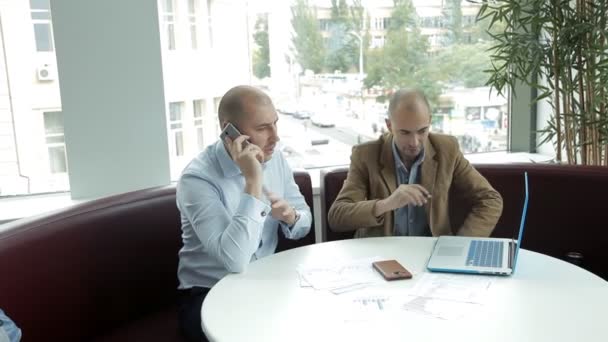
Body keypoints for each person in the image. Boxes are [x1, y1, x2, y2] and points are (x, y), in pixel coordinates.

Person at [176, 85, 312, 342]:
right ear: (230, 131)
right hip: (207, 293)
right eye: (262, 128)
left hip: (264, 283)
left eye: (275, 124)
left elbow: (305, 221)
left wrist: (291, 217)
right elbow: (235, 261)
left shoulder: (276, 159)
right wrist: (253, 181)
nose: (275, 137)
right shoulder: (197, 179)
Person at [328, 88, 503, 238]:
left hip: (431, 256)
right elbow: (337, 216)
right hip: (380, 255)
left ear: (430, 121)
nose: (415, 142)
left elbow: (490, 199)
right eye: (404, 132)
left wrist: (460, 245)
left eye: (422, 131)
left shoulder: (447, 149)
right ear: (389, 126)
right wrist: (387, 203)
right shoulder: (366, 155)